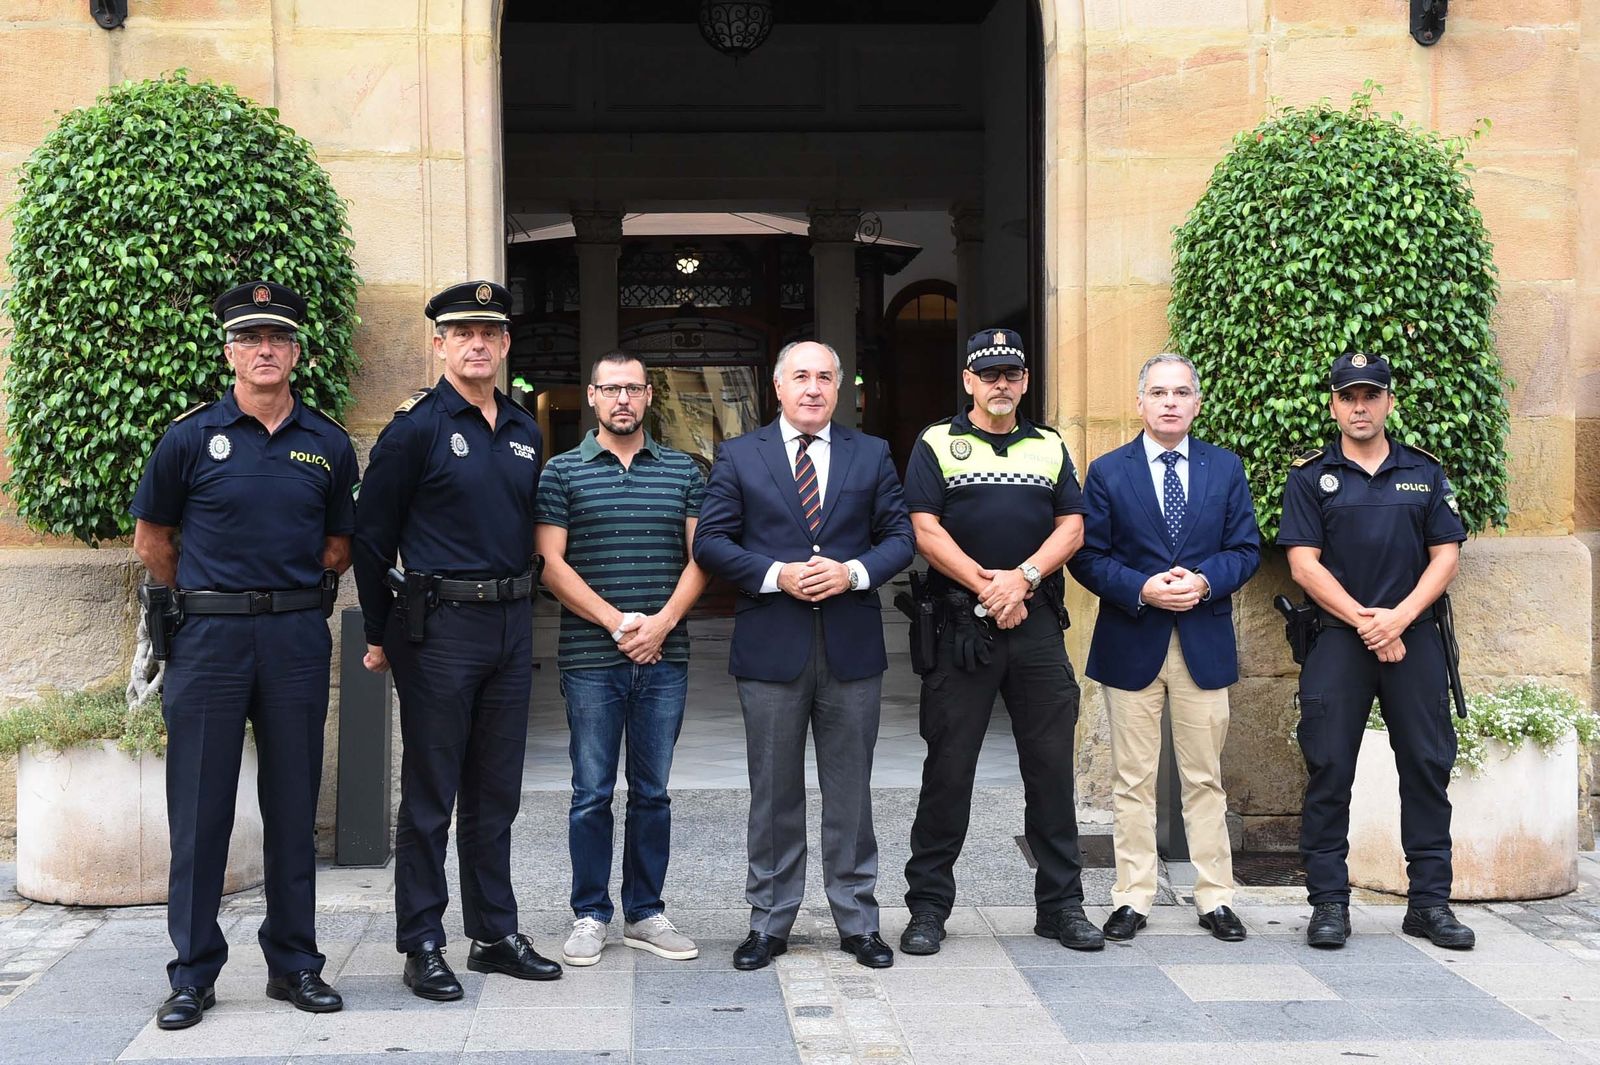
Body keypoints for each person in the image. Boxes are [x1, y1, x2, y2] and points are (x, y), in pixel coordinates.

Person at [131, 280, 356, 1029]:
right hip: (210, 641)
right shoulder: (189, 437)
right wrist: (210, 599)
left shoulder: (325, 442)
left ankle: (295, 965)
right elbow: (154, 543)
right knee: (200, 811)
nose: (266, 349)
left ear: (295, 352)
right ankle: (192, 973)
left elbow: (337, 545)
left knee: (292, 807)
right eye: (252, 338)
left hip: (293, 637)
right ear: (230, 350)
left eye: (279, 339)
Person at [353, 280, 561, 1000]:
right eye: (462, 332)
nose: (477, 343)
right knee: (431, 795)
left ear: (505, 346)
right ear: (439, 344)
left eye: (490, 333)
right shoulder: (415, 427)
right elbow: (372, 539)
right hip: (437, 628)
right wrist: (379, 632)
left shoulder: (525, 431)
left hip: (508, 626)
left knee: (495, 793)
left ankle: (494, 933)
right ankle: (422, 942)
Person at [693, 340, 915, 971]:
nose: (813, 388)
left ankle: (858, 919)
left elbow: (899, 537)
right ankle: (768, 922)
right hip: (771, 647)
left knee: (852, 791)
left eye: (824, 377)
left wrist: (852, 572)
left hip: (851, 646)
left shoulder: (869, 454)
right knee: (773, 792)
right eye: (801, 377)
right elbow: (711, 542)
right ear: (778, 387)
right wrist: (773, 574)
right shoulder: (740, 455)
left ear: (838, 389)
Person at [900, 328, 1103, 956]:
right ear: (968, 381)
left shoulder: (1048, 445)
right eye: (988, 375)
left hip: (1035, 622)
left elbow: (1073, 524)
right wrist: (989, 588)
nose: (1000, 385)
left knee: (1050, 772)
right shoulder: (937, 442)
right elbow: (924, 529)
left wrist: (1023, 579)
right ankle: (929, 908)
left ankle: (1061, 907)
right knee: (948, 770)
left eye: (1011, 374)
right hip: (962, 624)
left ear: (1024, 381)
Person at [1278, 352, 1474, 951]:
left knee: (1426, 767)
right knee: (1329, 768)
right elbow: (1302, 564)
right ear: (1333, 405)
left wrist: (1399, 619)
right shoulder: (1311, 477)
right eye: (1347, 396)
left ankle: (1430, 904)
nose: (1359, 407)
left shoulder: (1424, 473)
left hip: (1413, 638)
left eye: (1370, 395)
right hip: (1340, 638)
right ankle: (1330, 904)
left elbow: (1446, 554)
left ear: (1389, 402)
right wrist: (1367, 623)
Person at [1068, 353, 1261, 943]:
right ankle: (1132, 896)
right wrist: (1143, 587)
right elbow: (1087, 554)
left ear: (1197, 403)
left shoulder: (1224, 469)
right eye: (1158, 393)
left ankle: (1215, 898)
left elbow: (1246, 548)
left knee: (1205, 778)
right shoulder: (1107, 472)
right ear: (1140, 403)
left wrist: (1203, 581)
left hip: (1202, 640)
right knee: (1132, 780)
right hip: (1132, 639)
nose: (1170, 402)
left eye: (1181, 393)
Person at [535, 351, 709, 967]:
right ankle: (589, 912)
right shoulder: (561, 472)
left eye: (634, 389)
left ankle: (645, 912)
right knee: (590, 791)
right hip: (590, 655)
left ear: (649, 396)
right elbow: (552, 565)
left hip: (665, 655)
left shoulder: (684, 471)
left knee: (652, 791)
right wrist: (617, 624)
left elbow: (702, 557)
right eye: (612, 389)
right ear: (591, 397)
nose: (623, 400)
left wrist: (659, 625)